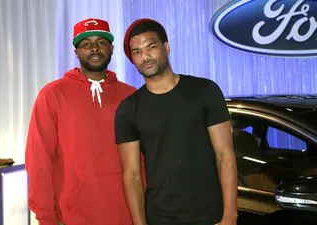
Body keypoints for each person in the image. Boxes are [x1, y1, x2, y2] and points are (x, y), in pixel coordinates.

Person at [115, 18, 238, 225]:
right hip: (160, 217)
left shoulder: (205, 91)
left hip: (211, 216)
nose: (145, 56)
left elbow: (224, 156)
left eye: (151, 47)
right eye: (137, 52)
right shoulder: (128, 109)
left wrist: (230, 216)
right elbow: (132, 175)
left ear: (166, 47)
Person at [25, 18, 137, 225]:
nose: (94, 48)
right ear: (76, 51)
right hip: (71, 218)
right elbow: (39, 160)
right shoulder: (52, 95)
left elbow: (145, 161)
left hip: (127, 216)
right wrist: (46, 217)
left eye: (101, 42)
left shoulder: (131, 96)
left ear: (111, 48)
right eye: (86, 44)